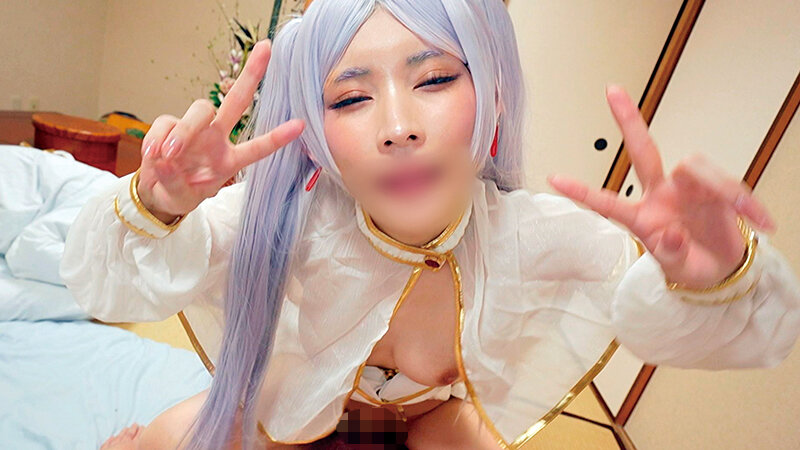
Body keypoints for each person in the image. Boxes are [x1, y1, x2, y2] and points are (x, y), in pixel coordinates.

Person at [61, 0, 800, 449]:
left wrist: (716, 279)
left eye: (437, 79)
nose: (398, 125)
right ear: (314, 134)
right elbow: (113, 289)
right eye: (351, 98)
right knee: (170, 440)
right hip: (302, 398)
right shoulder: (291, 220)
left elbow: (695, 321)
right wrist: (159, 203)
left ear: (496, 97)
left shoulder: (532, 234)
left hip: (434, 415)